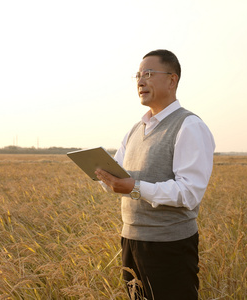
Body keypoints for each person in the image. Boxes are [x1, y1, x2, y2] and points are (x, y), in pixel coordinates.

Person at [95, 49, 215, 300]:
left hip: (169, 246)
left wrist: (134, 187)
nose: (140, 81)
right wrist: (107, 179)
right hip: (130, 240)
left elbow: (189, 193)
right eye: (137, 75)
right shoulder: (135, 130)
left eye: (148, 74)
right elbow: (120, 178)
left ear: (172, 80)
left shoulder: (189, 126)